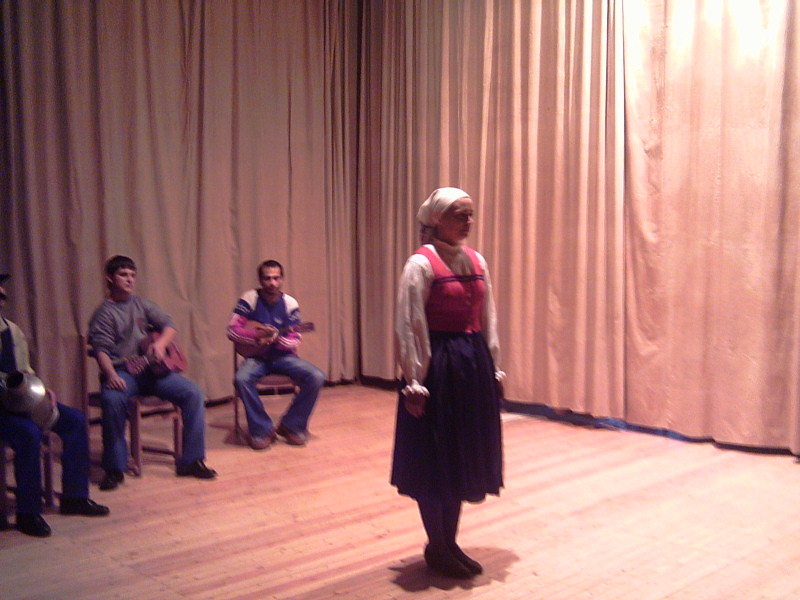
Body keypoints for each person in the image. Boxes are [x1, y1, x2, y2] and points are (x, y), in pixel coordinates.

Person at [391, 187, 505, 578]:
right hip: (437, 369)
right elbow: (409, 325)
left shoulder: (477, 260)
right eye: (460, 214)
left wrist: (493, 368)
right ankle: (436, 546)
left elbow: (488, 317)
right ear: (438, 219)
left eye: (470, 214)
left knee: (459, 459)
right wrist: (414, 381)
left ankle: (449, 543)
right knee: (434, 459)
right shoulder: (420, 265)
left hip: (471, 367)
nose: (468, 222)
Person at [87, 256, 217, 490]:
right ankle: (114, 468)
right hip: (122, 371)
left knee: (193, 393)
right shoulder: (104, 313)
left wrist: (160, 344)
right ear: (110, 278)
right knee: (112, 400)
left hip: (152, 372)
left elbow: (169, 326)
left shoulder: (141, 304)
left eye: (132, 275)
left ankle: (192, 461)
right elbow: (100, 350)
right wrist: (111, 376)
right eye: (123, 275)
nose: (129, 279)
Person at [0, 274, 110, 537]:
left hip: (19, 400)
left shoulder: (11, 330)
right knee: (29, 434)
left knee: (75, 421)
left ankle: (75, 496)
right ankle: (28, 512)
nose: (2, 298)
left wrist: (39, 389)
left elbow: (24, 370)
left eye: (2, 294)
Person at [227, 259, 325, 450]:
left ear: (282, 279)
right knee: (241, 379)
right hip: (256, 358)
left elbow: (295, 338)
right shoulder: (249, 298)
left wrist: (277, 340)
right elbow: (232, 331)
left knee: (316, 376)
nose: (272, 283)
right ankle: (261, 429)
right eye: (267, 278)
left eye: (276, 278)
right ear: (260, 280)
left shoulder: (290, 303)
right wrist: (257, 336)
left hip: (284, 357)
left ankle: (292, 425)